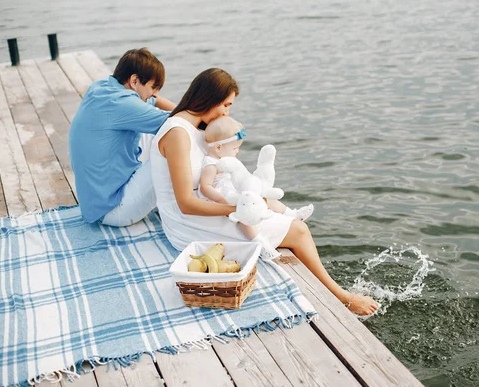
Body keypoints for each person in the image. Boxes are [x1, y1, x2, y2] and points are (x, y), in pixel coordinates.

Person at [150, 67, 378, 316]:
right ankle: (342, 297)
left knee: (269, 205)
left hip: (207, 206)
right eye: (225, 105)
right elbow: (185, 203)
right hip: (187, 222)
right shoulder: (178, 134)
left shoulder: (194, 128)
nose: (227, 113)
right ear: (210, 98)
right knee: (299, 231)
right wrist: (239, 210)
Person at [69, 48, 176, 226]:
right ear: (134, 80)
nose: (155, 93)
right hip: (113, 210)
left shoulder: (102, 88)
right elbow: (179, 123)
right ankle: (189, 201)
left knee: (159, 127)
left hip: (94, 205)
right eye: (153, 87)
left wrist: (175, 106)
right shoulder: (123, 104)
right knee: (173, 141)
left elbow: (155, 102)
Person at [197, 115, 314, 258]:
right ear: (218, 147)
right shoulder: (210, 163)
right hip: (225, 195)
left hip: (235, 189)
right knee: (243, 216)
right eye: (235, 148)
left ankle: (292, 214)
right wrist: (222, 200)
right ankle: (259, 242)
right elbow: (205, 186)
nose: (237, 152)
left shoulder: (223, 159)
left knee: (262, 195)